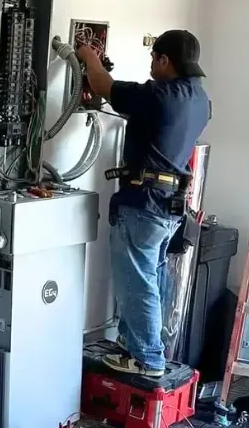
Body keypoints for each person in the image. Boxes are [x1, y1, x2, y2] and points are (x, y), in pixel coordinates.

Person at [76, 29, 210, 377]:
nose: (151, 64)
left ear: (166, 60)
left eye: (154, 58)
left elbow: (104, 85)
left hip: (144, 205)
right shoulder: (199, 100)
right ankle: (134, 346)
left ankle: (148, 359)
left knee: (138, 285)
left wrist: (87, 56)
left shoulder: (158, 96)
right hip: (168, 207)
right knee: (150, 280)